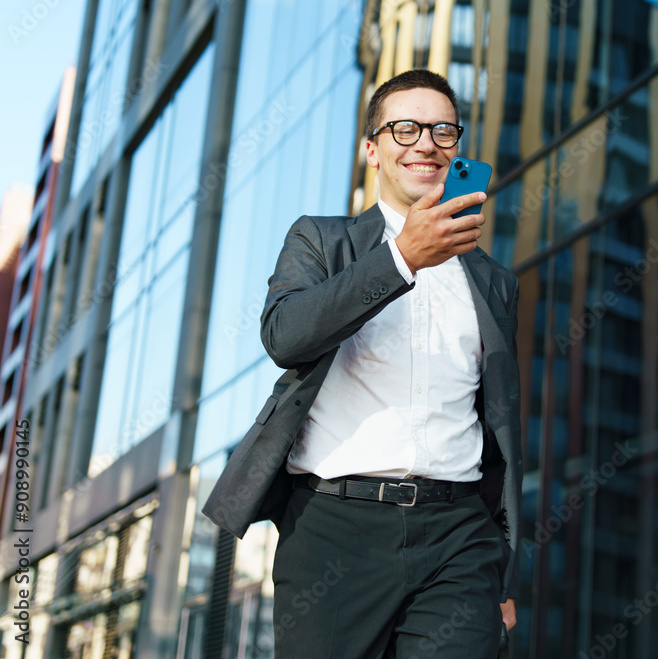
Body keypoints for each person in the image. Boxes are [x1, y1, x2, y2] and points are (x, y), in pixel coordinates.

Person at [203, 69, 522, 659]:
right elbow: (286, 336)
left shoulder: (493, 282)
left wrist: (500, 566)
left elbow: (497, 427)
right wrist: (402, 258)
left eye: (442, 129)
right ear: (371, 149)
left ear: (457, 149)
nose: (425, 142)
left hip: (458, 537)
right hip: (333, 530)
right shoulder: (321, 241)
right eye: (404, 128)